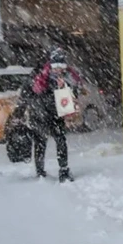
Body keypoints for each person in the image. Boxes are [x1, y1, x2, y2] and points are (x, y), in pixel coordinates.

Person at [19, 47, 80, 182]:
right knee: (41, 142)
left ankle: (63, 170)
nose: (59, 69)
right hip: (39, 113)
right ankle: (40, 171)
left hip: (56, 114)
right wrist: (23, 109)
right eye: (56, 65)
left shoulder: (68, 77)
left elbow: (74, 94)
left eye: (62, 65)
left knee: (60, 141)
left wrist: (65, 87)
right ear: (50, 63)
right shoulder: (40, 74)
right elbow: (27, 92)